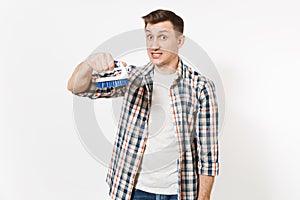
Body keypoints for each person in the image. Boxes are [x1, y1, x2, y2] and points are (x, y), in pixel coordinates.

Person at [67, 9, 219, 200]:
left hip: (179, 192)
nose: (154, 45)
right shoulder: (131, 78)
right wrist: (88, 64)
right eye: (149, 37)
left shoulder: (200, 87)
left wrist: (203, 197)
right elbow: (76, 87)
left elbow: (208, 153)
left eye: (163, 37)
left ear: (179, 41)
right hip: (134, 189)